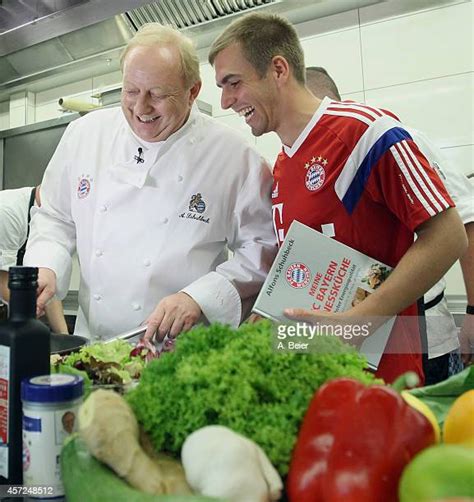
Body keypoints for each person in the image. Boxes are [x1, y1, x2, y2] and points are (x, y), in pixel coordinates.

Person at [209, 13, 468, 384]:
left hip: (385, 378)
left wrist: (358, 323)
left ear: (279, 70)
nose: (225, 100)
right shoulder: (282, 165)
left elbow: (449, 236)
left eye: (233, 83)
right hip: (318, 373)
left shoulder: (365, 133)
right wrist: (271, 314)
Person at [24, 23, 276, 343]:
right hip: (94, 346)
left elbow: (261, 252)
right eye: (131, 91)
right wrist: (45, 267)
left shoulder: (235, 157)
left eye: (157, 94)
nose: (141, 108)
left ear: (193, 92)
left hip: (180, 352)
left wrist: (199, 297)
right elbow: (54, 218)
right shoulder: (84, 135)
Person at [305, 66, 474, 382]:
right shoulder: (310, 164)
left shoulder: (390, 140)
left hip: (424, 334)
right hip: (359, 340)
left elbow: (466, 221)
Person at [0, 185, 69, 334]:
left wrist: (66, 340)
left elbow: (46, 287)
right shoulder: (7, 212)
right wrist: (35, 307)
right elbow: (4, 282)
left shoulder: (49, 226)